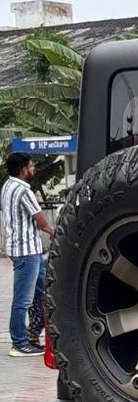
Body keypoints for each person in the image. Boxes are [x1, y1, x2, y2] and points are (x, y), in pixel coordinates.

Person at [2, 153, 54, 357]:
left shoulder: (7, 186)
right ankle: (19, 343)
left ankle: (32, 336)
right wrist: (59, 234)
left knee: (40, 294)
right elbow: (42, 222)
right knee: (23, 300)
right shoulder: (24, 191)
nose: (34, 169)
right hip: (27, 252)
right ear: (23, 169)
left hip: (26, 250)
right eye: (31, 166)